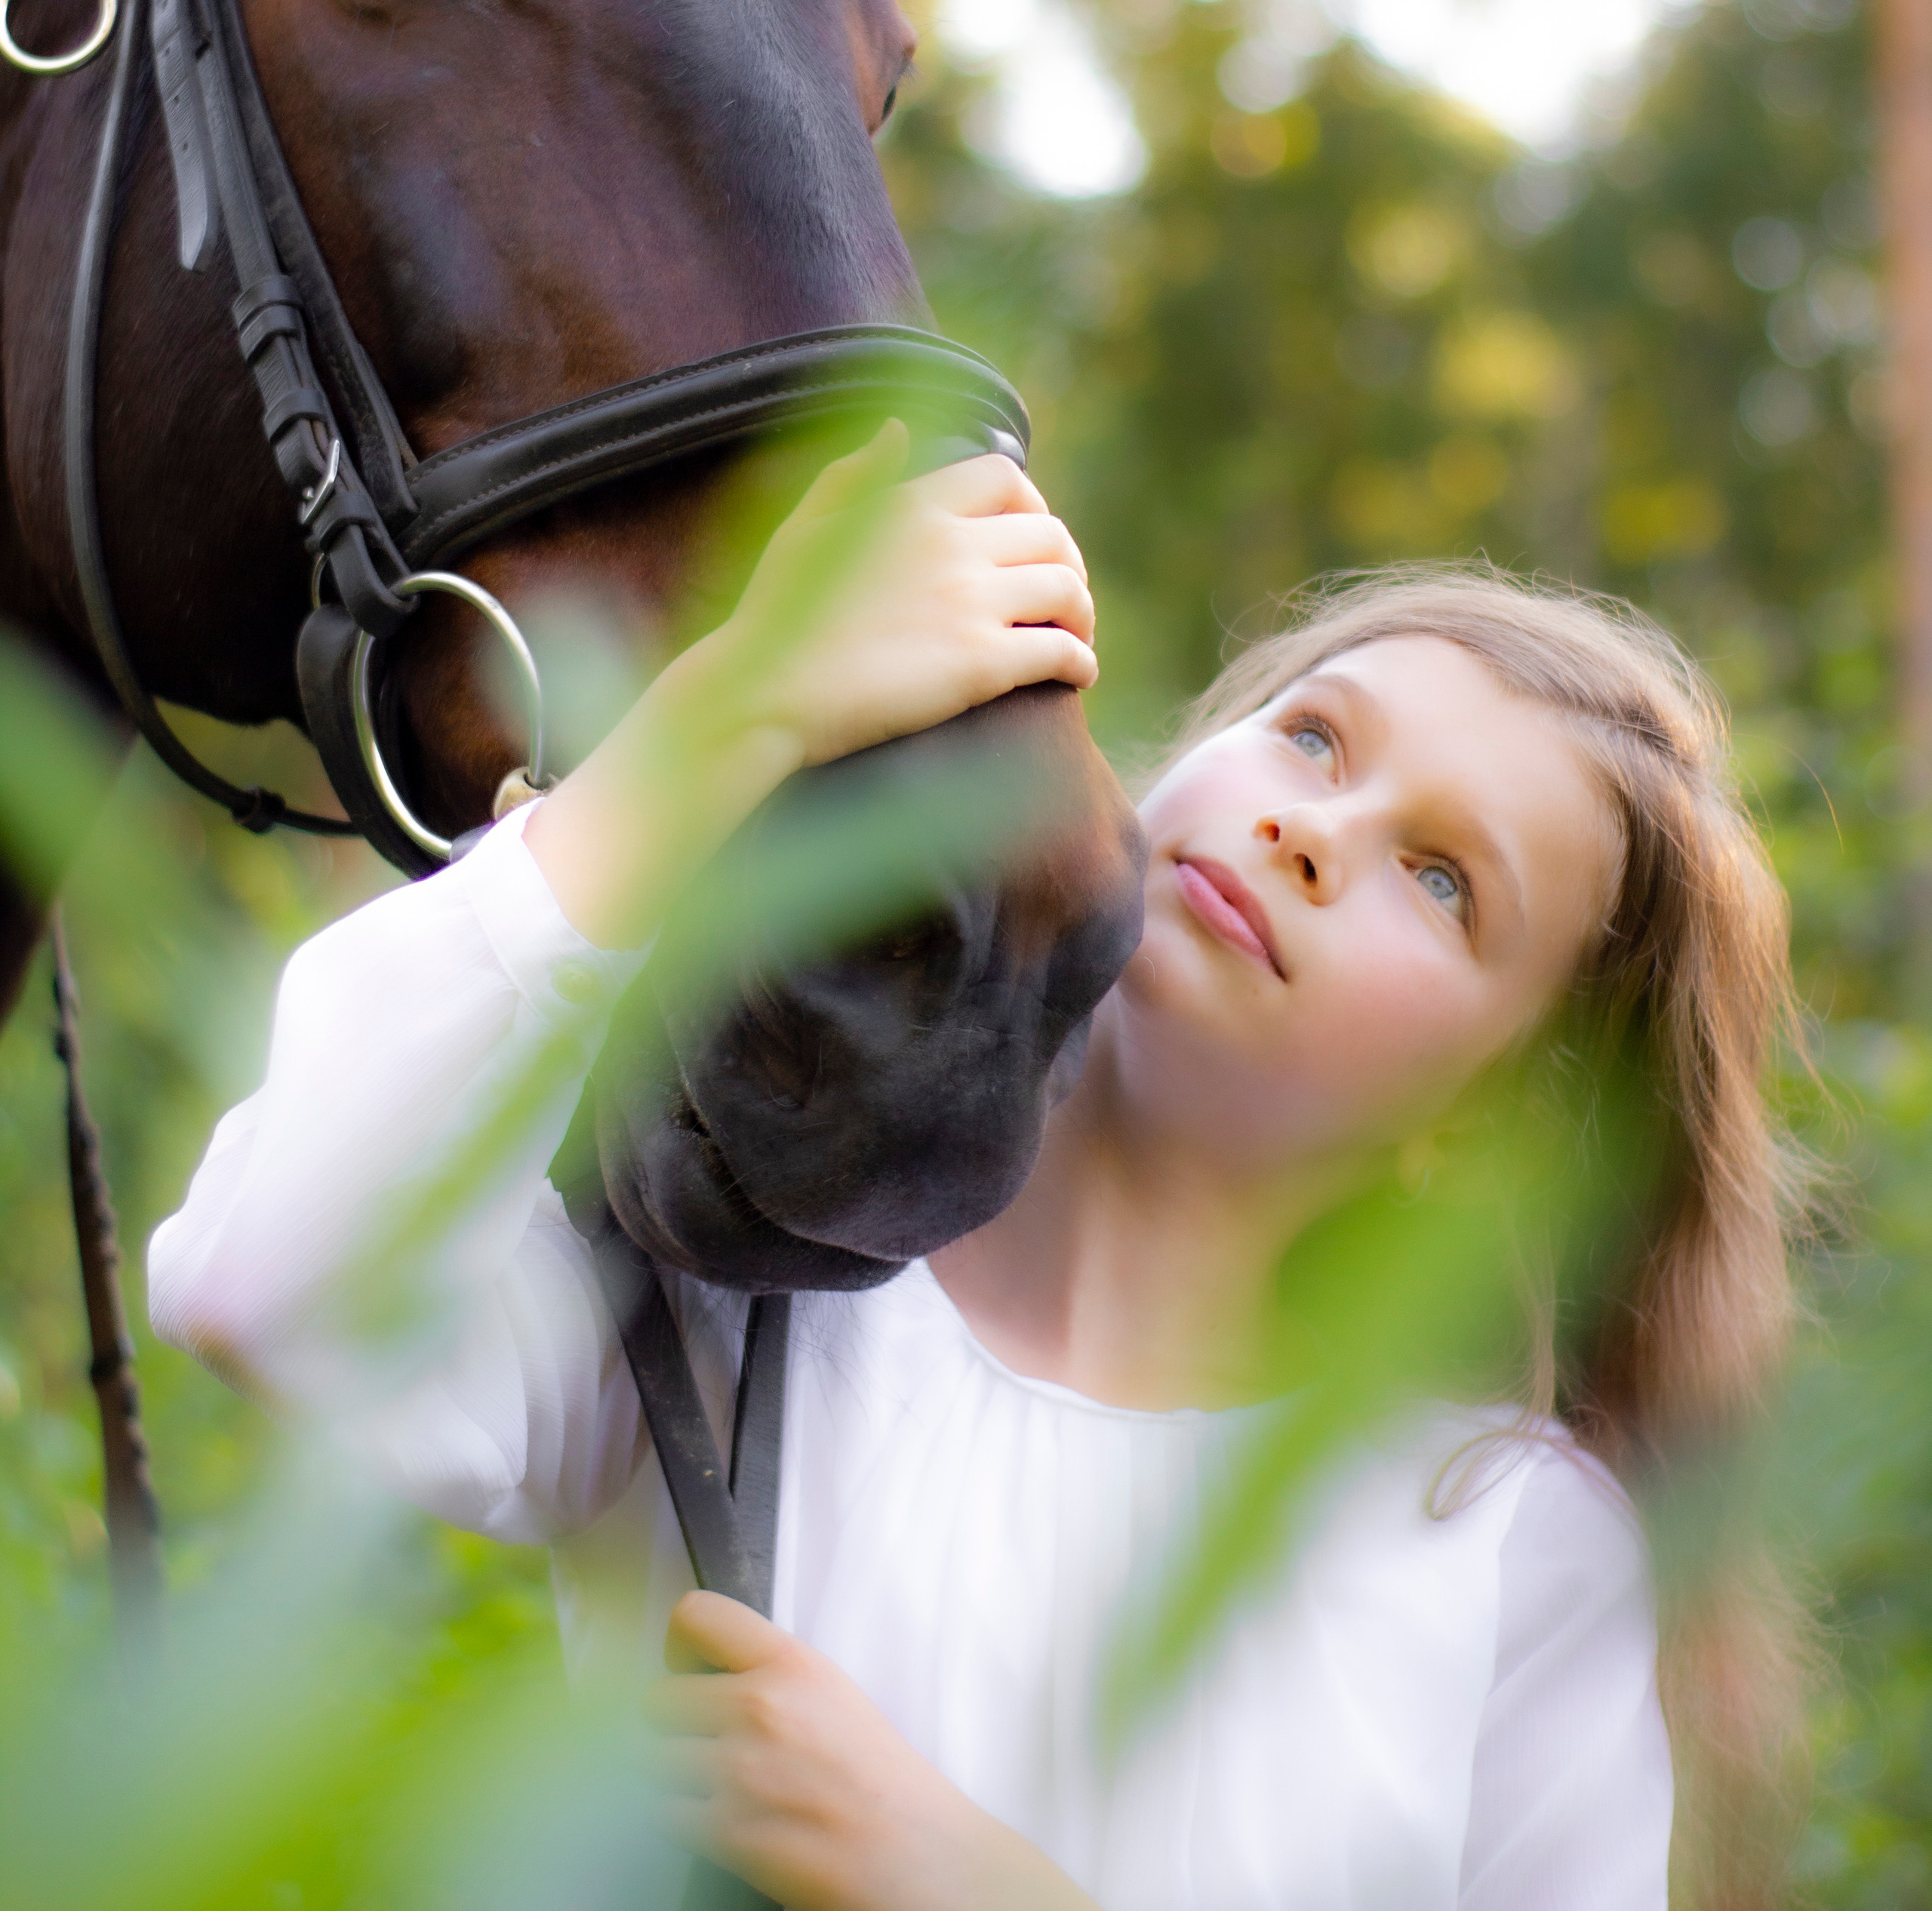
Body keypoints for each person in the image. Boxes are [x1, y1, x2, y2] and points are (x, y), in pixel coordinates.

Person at [148, 432, 1803, 1909]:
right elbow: (267, 1275)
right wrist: (733, 710)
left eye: (1441, 882)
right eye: (1311, 739)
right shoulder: (741, 1264)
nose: (1316, 830)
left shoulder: (1506, 1549)